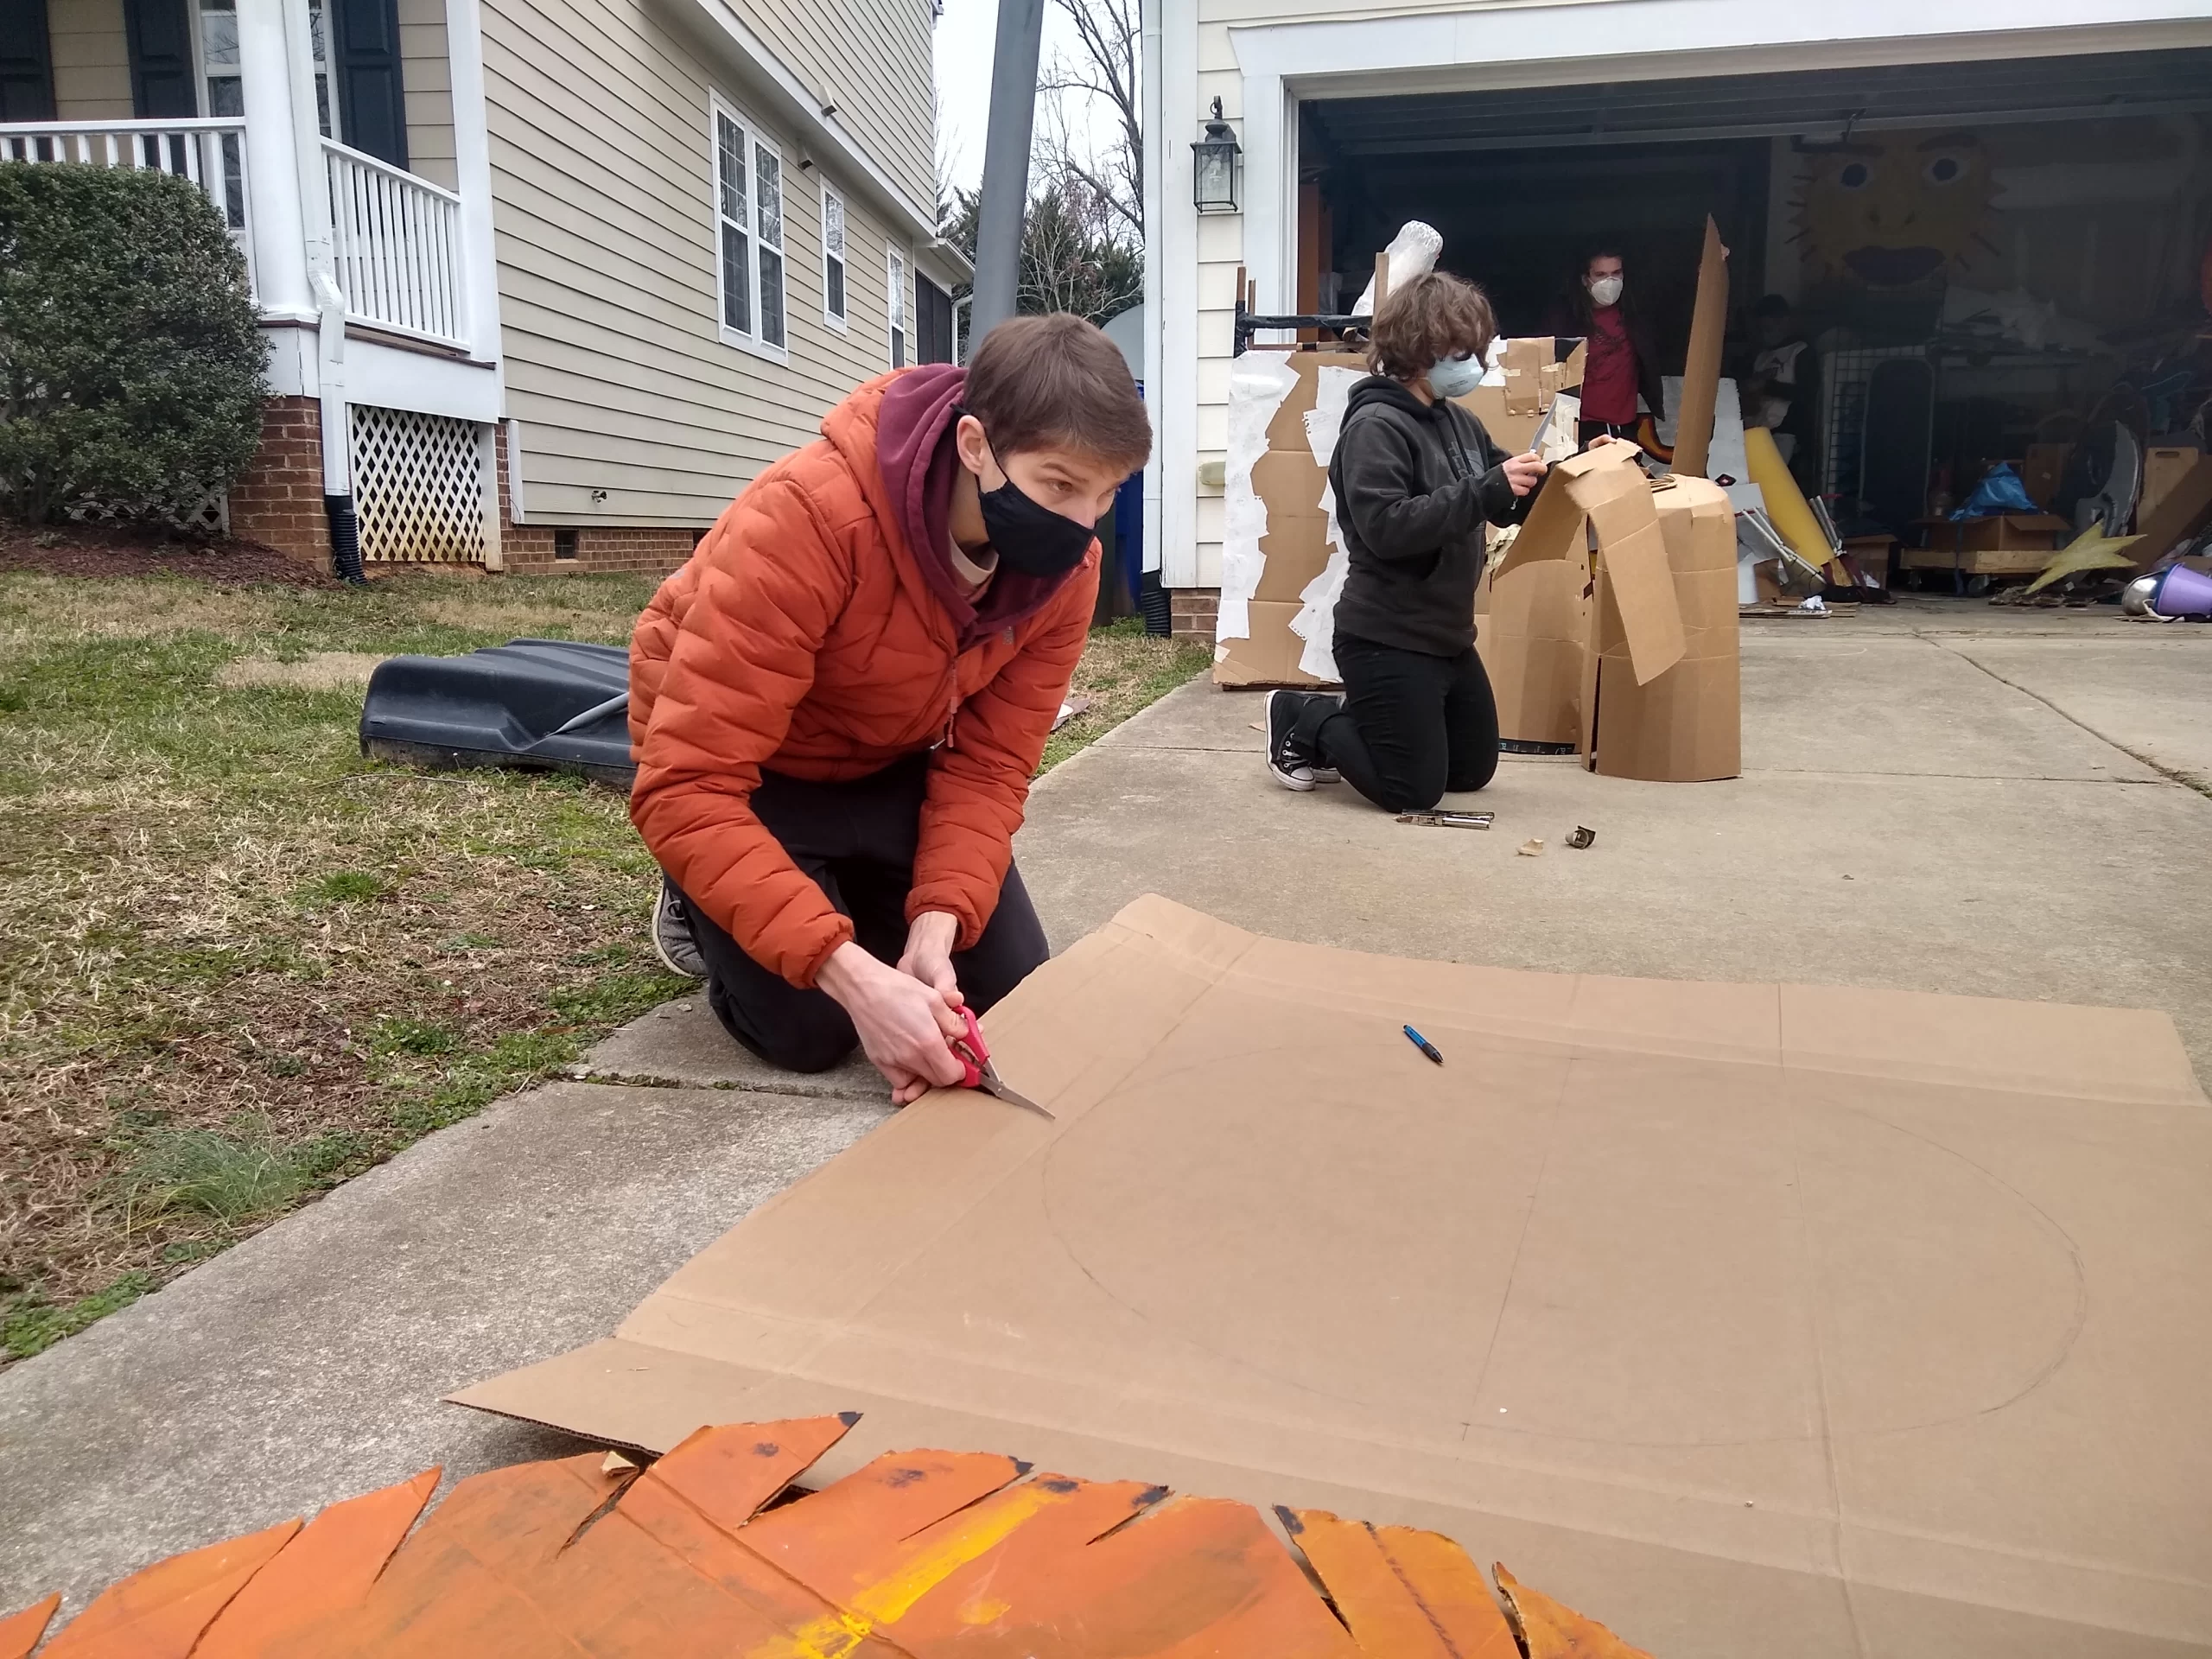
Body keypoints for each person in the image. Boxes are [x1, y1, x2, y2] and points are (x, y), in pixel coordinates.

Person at [628, 315, 1152, 1105]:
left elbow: (990, 765)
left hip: (886, 757)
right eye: (1058, 485)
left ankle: (836, 897)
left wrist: (936, 927)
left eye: (1106, 493)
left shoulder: (1068, 574)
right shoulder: (808, 516)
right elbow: (686, 786)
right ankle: (695, 898)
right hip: (754, 774)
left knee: (1006, 989)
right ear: (975, 446)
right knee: (811, 1031)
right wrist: (856, 979)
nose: (1083, 525)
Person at [1262, 271, 1546, 813]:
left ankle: (1374, 717)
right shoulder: (1375, 426)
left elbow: (1502, 498)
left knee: (1469, 771)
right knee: (1410, 791)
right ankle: (1305, 716)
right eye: (1463, 352)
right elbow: (1387, 529)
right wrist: (1487, 489)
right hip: (1386, 635)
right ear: (1420, 349)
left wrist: (1567, 475)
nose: (1475, 365)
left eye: (1477, 352)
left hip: (1446, 636)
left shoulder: (1459, 422)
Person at [1548, 248, 1665, 449]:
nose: (1610, 281)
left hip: (1624, 423)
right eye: (1600, 275)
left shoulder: (1634, 313)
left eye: (1616, 273)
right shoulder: (1565, 319)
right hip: (1579, 422)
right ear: (1585, 279)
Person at [1745, 293, 1820, 493]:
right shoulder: (1762, 356)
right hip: (1760, 430)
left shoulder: (1801, 351)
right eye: (1762, 329)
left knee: (1779, 488)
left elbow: (1807, 393)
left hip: (1788, 432)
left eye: (1770, 328)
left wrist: (1766, 386)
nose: (1766, 334)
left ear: (1785, 321)